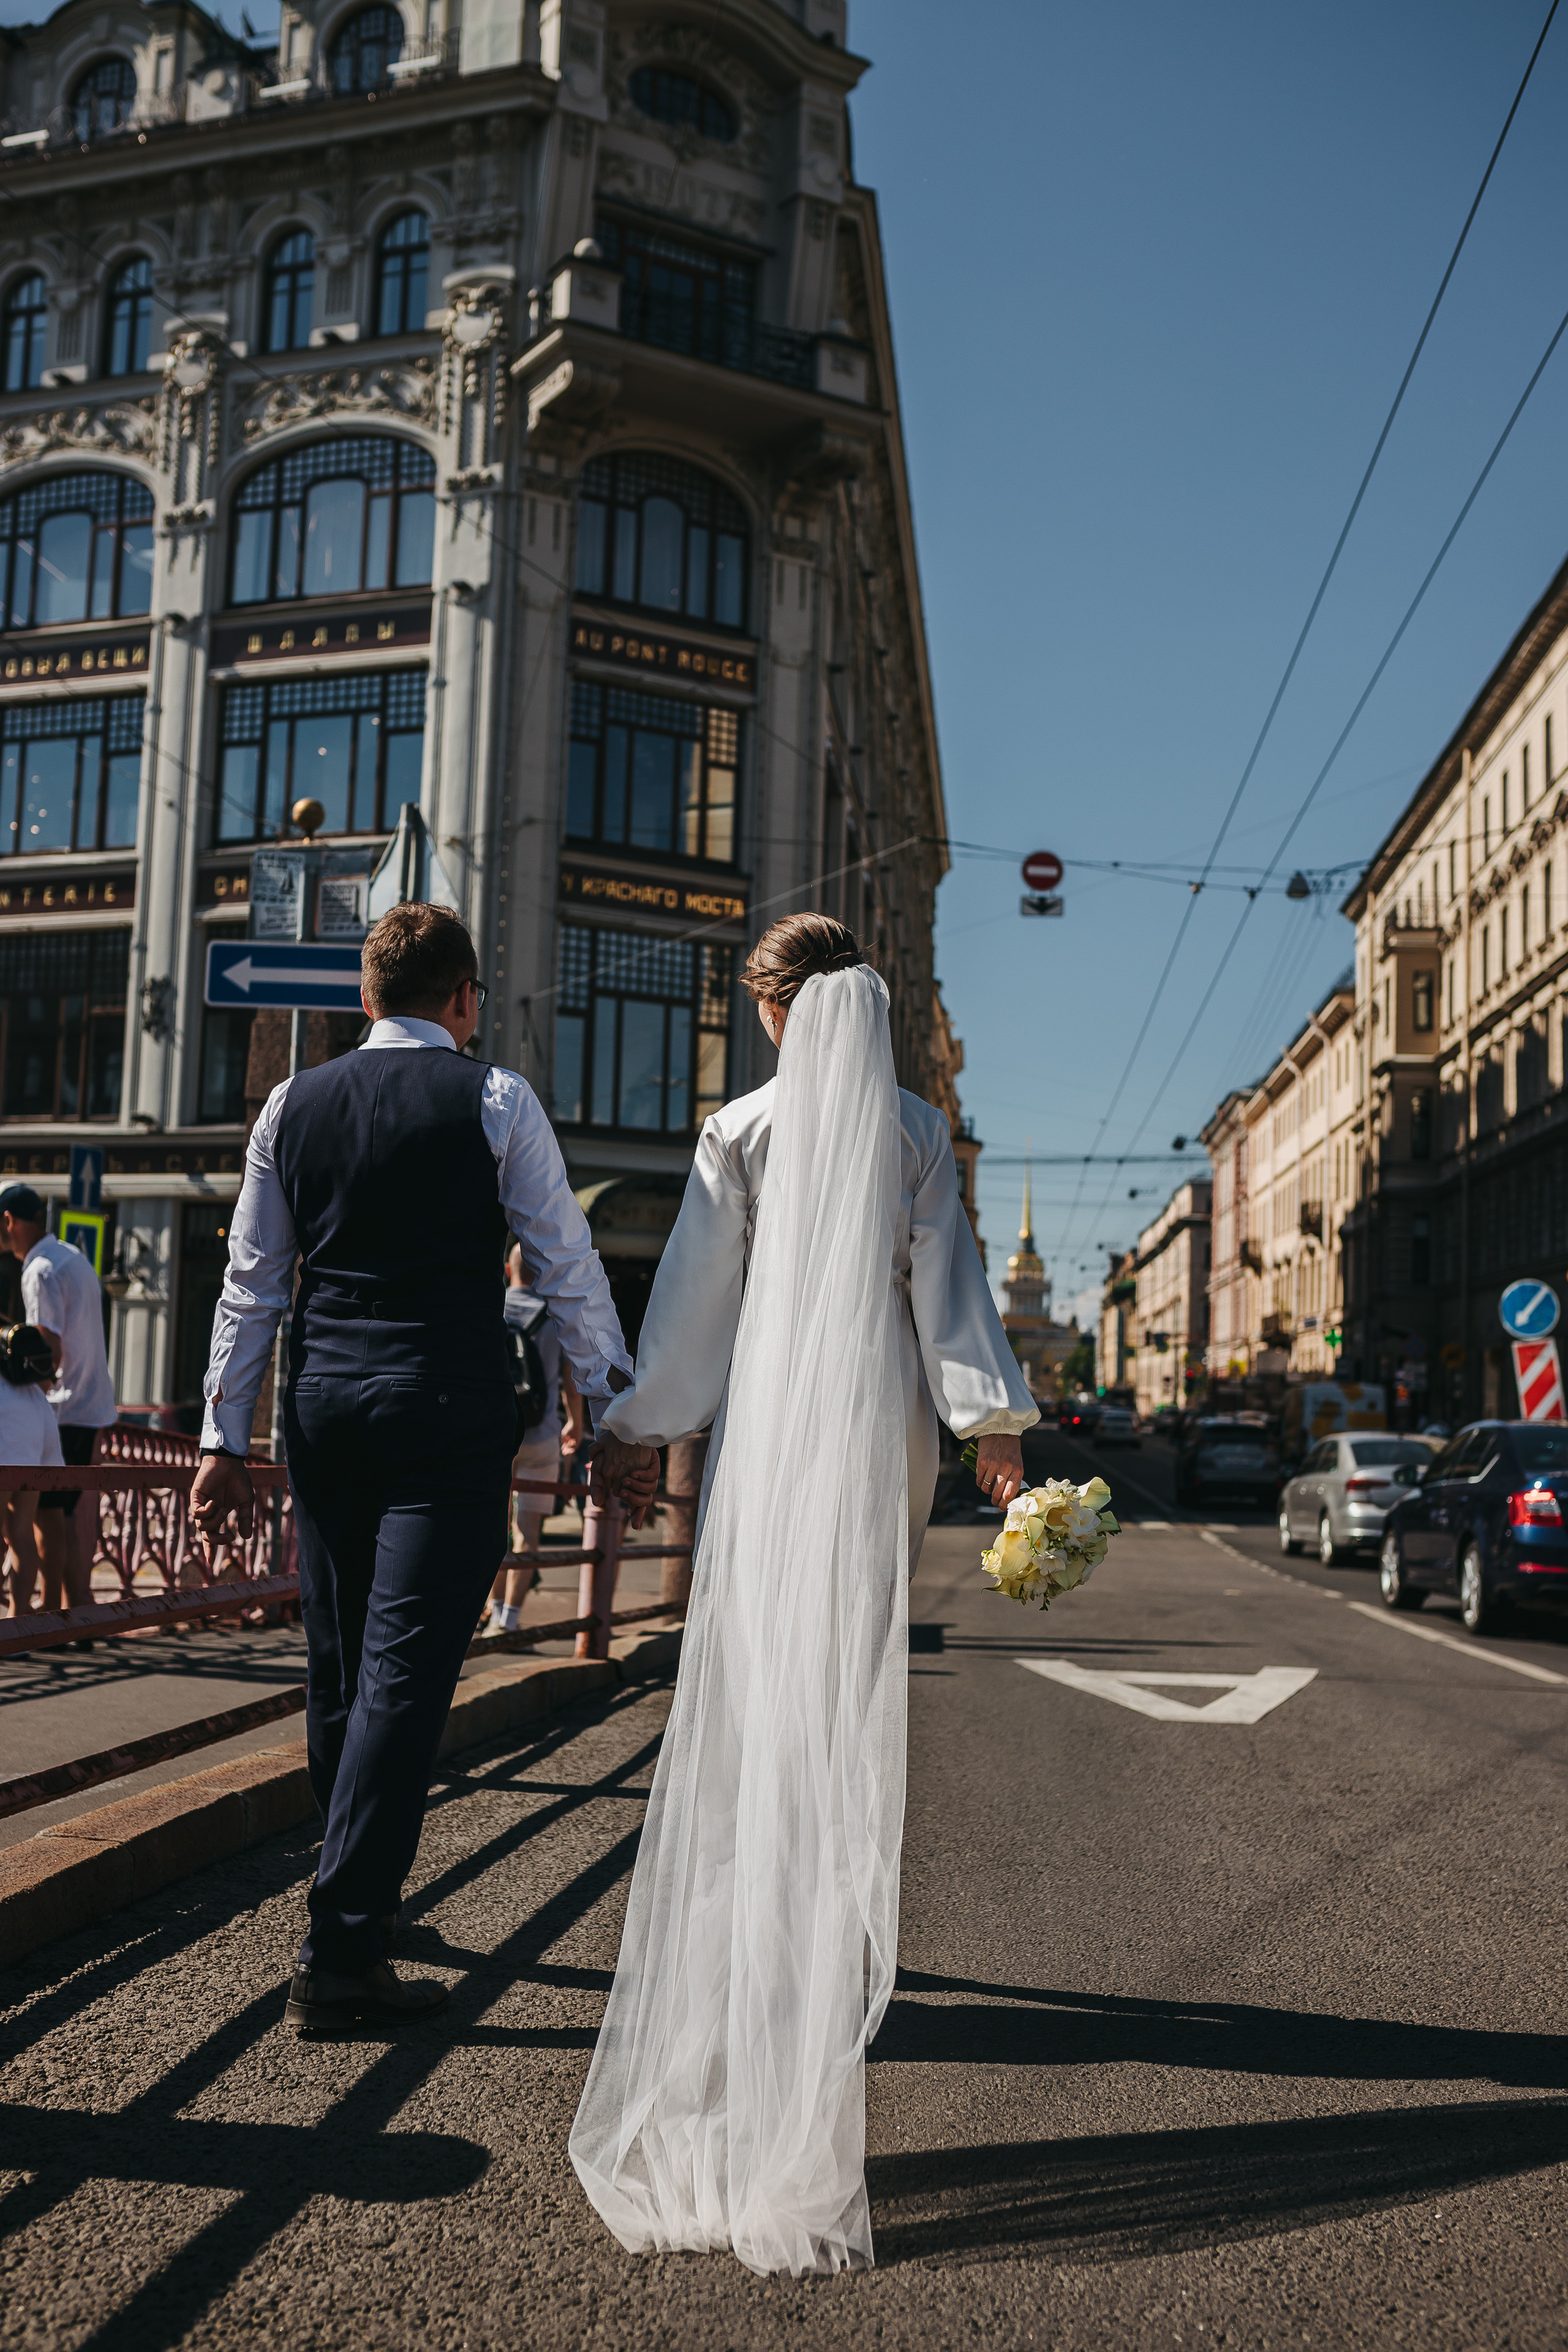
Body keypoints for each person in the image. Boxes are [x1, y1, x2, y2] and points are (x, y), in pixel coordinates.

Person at [572, 914, 1038, 2277]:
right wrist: (993, 1433)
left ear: (774, 1009)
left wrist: (638, 1428)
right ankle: (819, 1980)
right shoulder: (915, 1131)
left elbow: (693, 1312)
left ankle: (741, 1994)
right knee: (840, 1706)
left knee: (756, 1700)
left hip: (776, 1428)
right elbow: (950, 1292)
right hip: (879, 1428)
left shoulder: (738, 1131)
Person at [189, 901, 633, 2035]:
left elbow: (253, 1283)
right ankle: (341, 1952)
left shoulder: (291, 1104)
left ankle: (363, 1905)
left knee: (340, 1664)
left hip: (325, 1407)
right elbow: (567, 1265)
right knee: (404, 1670)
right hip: (445, 1404)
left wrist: (222, 1440)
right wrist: (611, 1409)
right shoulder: (497, 1099)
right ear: (466, 1000)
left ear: (364, 997)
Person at [0, 1183, 118, 1614]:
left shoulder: (40, 1270)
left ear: (8, 1221)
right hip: (89, 1405)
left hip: (63, 1408)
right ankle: (70, 1611)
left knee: (46, 1518)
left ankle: (53, 1616)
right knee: (57, 1513)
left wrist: (25, 1401)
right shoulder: (71, 1255)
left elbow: (46, 1351)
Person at [484, 1239, 588, 1636]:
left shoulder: (490, 1308)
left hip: (493, 1437)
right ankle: (508, 1621)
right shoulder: (552, 1316)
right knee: (527, 1534)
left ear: (508, 1271)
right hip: (541, 1435)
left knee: (491, 1528)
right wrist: (574, 1423)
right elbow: (571, 1383)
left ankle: (492, 1611)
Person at [0, 1318, 64, 1618]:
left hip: (5, 1448)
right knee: (21, 1535)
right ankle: (17, 1622)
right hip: (34, 1447)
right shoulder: (30, 1389)